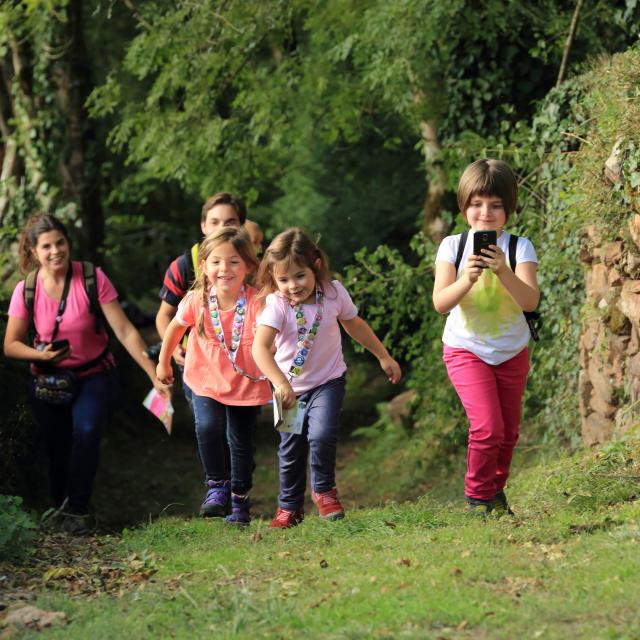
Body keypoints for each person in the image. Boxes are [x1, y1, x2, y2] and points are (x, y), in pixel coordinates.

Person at [3, 213, 171, 534]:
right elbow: (10, 345)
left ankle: (78, 510)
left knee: (87, 430)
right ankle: (63, 505)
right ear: (34, 251)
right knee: (57, 447)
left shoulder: (92, 278)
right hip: (48, 379)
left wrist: (154, 373)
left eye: (60, 242)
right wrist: (41, 355)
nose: (56, 251)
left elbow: (124, 331)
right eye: (47, 246)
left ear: (69, 243)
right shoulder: (26, 290)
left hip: (94, 374)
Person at [252, 228, 402, 529]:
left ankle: (324, 492)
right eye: (283, 280)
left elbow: (355, 326)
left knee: (320, 435)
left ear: (316, 265)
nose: (292, 286)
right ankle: (289, 508)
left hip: (328, 383)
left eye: (299, 276)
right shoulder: (277, 304)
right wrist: (281, 384)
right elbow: (259, 349)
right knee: (291, 448)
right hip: (288, 389)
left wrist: (383, 356)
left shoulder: (333, 293)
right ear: (273, 278)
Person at [432, 158, 540, 516]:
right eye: (476, 204)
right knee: (487, 427)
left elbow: (530, 300)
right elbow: (440, 303)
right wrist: (469, 277)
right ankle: (478, 497)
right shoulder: (452, 246)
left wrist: (503, 271)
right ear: (464, 206)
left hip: (512, 351)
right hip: (466, 349)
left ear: (508, 208)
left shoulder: (519, 247)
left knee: (508, 434)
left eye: (495, 205)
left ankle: (495, 491)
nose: (485, 213)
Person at [156, 227, 270, 524]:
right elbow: (174, 329)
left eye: (234, 262)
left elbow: (276, 339)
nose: (224, 269)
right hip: (204, 380)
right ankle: (217, 486)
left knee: (240, 441)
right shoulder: (197, 300)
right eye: (216, 262)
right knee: (207, 426)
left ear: (248, 266)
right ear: (204, 266)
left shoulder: (259, 303)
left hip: (245, 385)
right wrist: (163, 362)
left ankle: (241, 501)